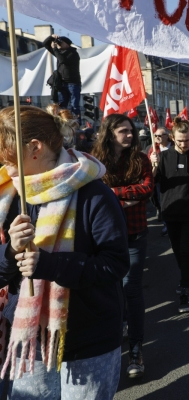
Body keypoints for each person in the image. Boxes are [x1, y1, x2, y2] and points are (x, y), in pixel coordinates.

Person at [0, 106, 129, 398]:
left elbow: (115, 264)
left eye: (6, 154)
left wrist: (51, 265)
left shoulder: (94, 194)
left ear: (34, 147)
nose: (3, 164)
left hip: (87, 339)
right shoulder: (8, 195)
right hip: (29, 340)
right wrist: (10, 252)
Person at [91, 114, 153, 379]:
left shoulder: (140, 159)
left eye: (131, 131)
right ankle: (111, 348)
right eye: (123, 131)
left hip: (135, 234)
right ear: (109, 133)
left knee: (132, 289)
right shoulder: (96, 161)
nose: (129, 135)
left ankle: (136, 349)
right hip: (104, 238)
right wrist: (121, 197)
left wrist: (112, 196)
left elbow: (147, 188)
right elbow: (93, 191)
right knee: (110, 290)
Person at [150, 117, 189, 313]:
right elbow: (152, 183)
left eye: (187, 140)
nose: (184, 144)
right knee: (177, 249)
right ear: (173, 138)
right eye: (180, 140)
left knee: (185, 249)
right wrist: (153, 165)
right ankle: (187, 273)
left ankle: (184, 285)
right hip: (170, 210)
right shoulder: (164, 157)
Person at [43, 35, 81, 122]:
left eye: (61, 43)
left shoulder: (73, 53)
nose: (59, 45)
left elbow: (62, 60)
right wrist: (51, 38)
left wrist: (55, 49)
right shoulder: (59, 52)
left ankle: (77, 123)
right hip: (62, 83)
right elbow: (45, 44)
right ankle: (63, 121)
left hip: (73, 83)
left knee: (74, 104)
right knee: (61, 104)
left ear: (67, 44)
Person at [146, 126, 171, 234]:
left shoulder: (174, 147)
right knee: (163, 203)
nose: (157, 137)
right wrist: (152, 161)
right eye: (155, 135)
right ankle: (166, 225)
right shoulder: (152, 149)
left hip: (173, 179)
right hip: (159, 180)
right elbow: (148, 167)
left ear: (167, 136)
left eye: (160, 135)